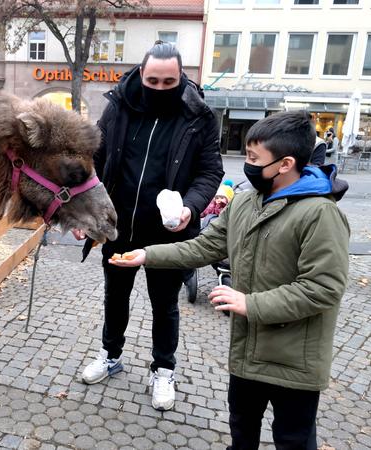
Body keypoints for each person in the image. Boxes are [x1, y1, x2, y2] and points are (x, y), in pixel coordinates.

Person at [110, 110, 350, 449]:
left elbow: (322, 289)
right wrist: (148, 255)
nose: (247, 164)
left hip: (294, 361)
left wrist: (250, 304)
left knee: (293, 440)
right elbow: (205, 246)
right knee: (240, 431)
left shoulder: (320, 214)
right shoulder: (247, 202)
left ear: (285, 163)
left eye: (254, 158)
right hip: (247, 353)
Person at [73, 41, 224, 411]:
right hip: (119, 228)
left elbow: (210, 171)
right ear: (142, 73)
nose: (158, 88)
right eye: (152, 80)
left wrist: (190, 207)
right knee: (115, 297)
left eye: (167, 81)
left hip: (169, 235)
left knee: (165, 305)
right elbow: (94, 158)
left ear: (181, 76)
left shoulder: (198, 116)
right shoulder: (119, 106)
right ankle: (111, 355)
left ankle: (163, 370)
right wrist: (82, 212)